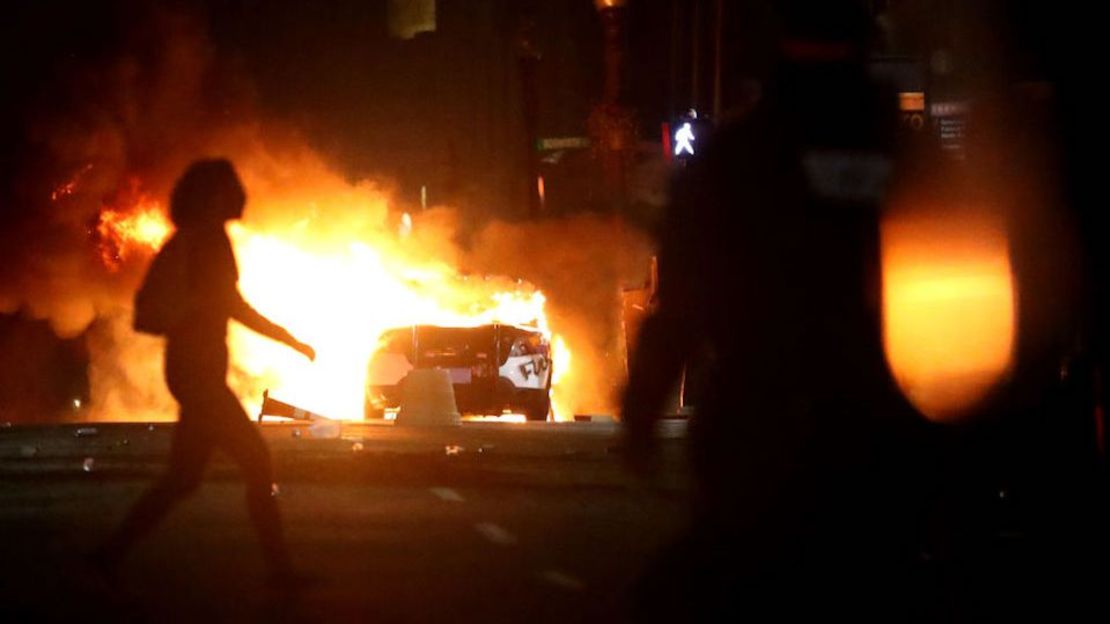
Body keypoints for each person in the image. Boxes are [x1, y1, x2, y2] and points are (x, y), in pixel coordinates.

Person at [622, 2, 932, 620]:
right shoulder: (915, 164)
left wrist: (642, 411)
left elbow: (684, 299)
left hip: (761, 428)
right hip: (885, 433)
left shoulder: (737, 158)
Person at [92, 159, 315, 587]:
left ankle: (110, 554)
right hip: (197, 373)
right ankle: (281, 572)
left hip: (192, 369)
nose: (241, 195)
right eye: (232, 187)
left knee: (183, 478)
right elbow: (229, 306)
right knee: (257, 460)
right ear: (215, 195)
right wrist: (288, 339)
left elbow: (225, 303)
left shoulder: (193, 239)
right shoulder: (206, 241)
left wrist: (287, 338)